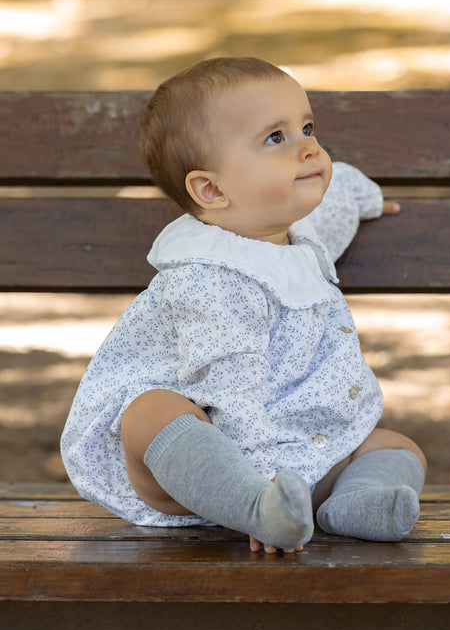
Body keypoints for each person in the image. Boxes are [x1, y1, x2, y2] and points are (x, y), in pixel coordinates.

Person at [61, 56, 426, 554]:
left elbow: (336, 199)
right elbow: (229, 391)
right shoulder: (209, 276)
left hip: (299, 453)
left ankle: (355, 502)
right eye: (276, 138)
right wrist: (259, 480)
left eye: (307, 128)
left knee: (396, 447)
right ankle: (256, 506)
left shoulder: (296, 235)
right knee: (149, 412)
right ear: (211, 189)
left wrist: (366, 199)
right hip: (195, 471)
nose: (309, 148)